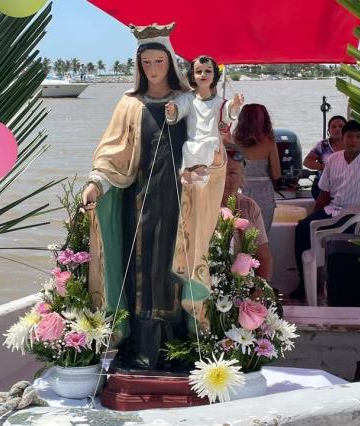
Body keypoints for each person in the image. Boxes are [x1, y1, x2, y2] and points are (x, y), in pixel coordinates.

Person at [81, 24, 221, 371]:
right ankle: (140, 345)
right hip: (139, 201)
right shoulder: (129, 104)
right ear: (139, 66)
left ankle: (181, 344)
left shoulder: (187, 100)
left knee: (174, 268)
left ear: (170, 62)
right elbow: (112, 154)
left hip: (180, 201)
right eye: (147, 63)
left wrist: (210, 163)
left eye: (159, 61)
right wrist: (97, 183)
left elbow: (209, 139)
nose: (154, 69)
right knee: (142, 271)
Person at [291, 120, 360, 300]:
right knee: (302, 228)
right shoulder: (333, 159)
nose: (353, 140)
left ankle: (341, 287)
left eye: (358, 137)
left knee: (341, 241)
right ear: (343, 137)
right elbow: (325, 191)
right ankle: (304, 283)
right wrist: (314, 214)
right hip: (334, 209)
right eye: (349, 136)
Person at [165, 55, 243, 184]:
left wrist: (235, 105)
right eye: (198, 71)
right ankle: (190, 171)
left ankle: (202, 170)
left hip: (211, 142)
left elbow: (228, 113)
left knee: (210, 142)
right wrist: (172, 109)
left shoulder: (218, 102)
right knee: (187, 147)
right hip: (193, 141)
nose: (203, 74)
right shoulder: (188, 99)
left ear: (214, 75)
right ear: (192, 75)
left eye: (208, 71)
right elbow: (178, 109)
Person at [223, 146, 273, 282]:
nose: (224, 179)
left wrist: (260, 289)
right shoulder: (201, 207)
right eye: (219, 173)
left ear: (242, 178)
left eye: (232, 173)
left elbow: (264, 257)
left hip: (242, 285)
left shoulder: (250, 207)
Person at [233, 104, 281, 231]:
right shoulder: (269, 141)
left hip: (241, 191)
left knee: (242, 238)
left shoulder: (234, 140)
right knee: (262, 238)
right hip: (264, 194)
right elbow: (276, 174)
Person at [303, 115, 347, 199]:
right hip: (322, 186)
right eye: (333, 127)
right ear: (329, 131)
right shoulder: (323, 145)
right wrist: (324, 167)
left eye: (341, 126)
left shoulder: (353, 146)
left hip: (345, 186)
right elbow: (307, 161)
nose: (337, 129)